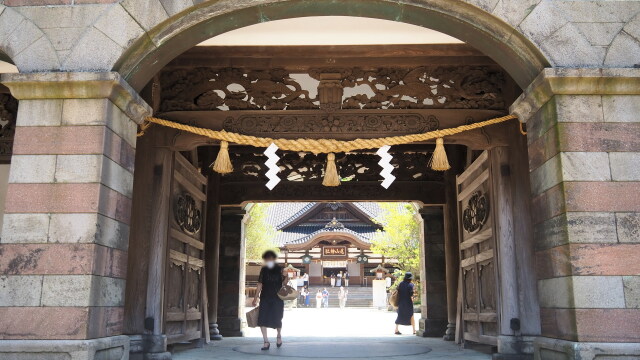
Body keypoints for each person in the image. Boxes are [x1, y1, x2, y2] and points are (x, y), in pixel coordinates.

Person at [252, 250, 285, 350]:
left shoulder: (280, 269)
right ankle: (266, 341)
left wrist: (288, 276)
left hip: (278, 298)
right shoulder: (264, 269)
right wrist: (255, 297)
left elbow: (284, 284)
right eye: (268, 258)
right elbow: (260, 284)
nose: (269, 260)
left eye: (271, 258)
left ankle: (279, 336)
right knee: (262, 319)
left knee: (278, 318)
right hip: (265, 297)